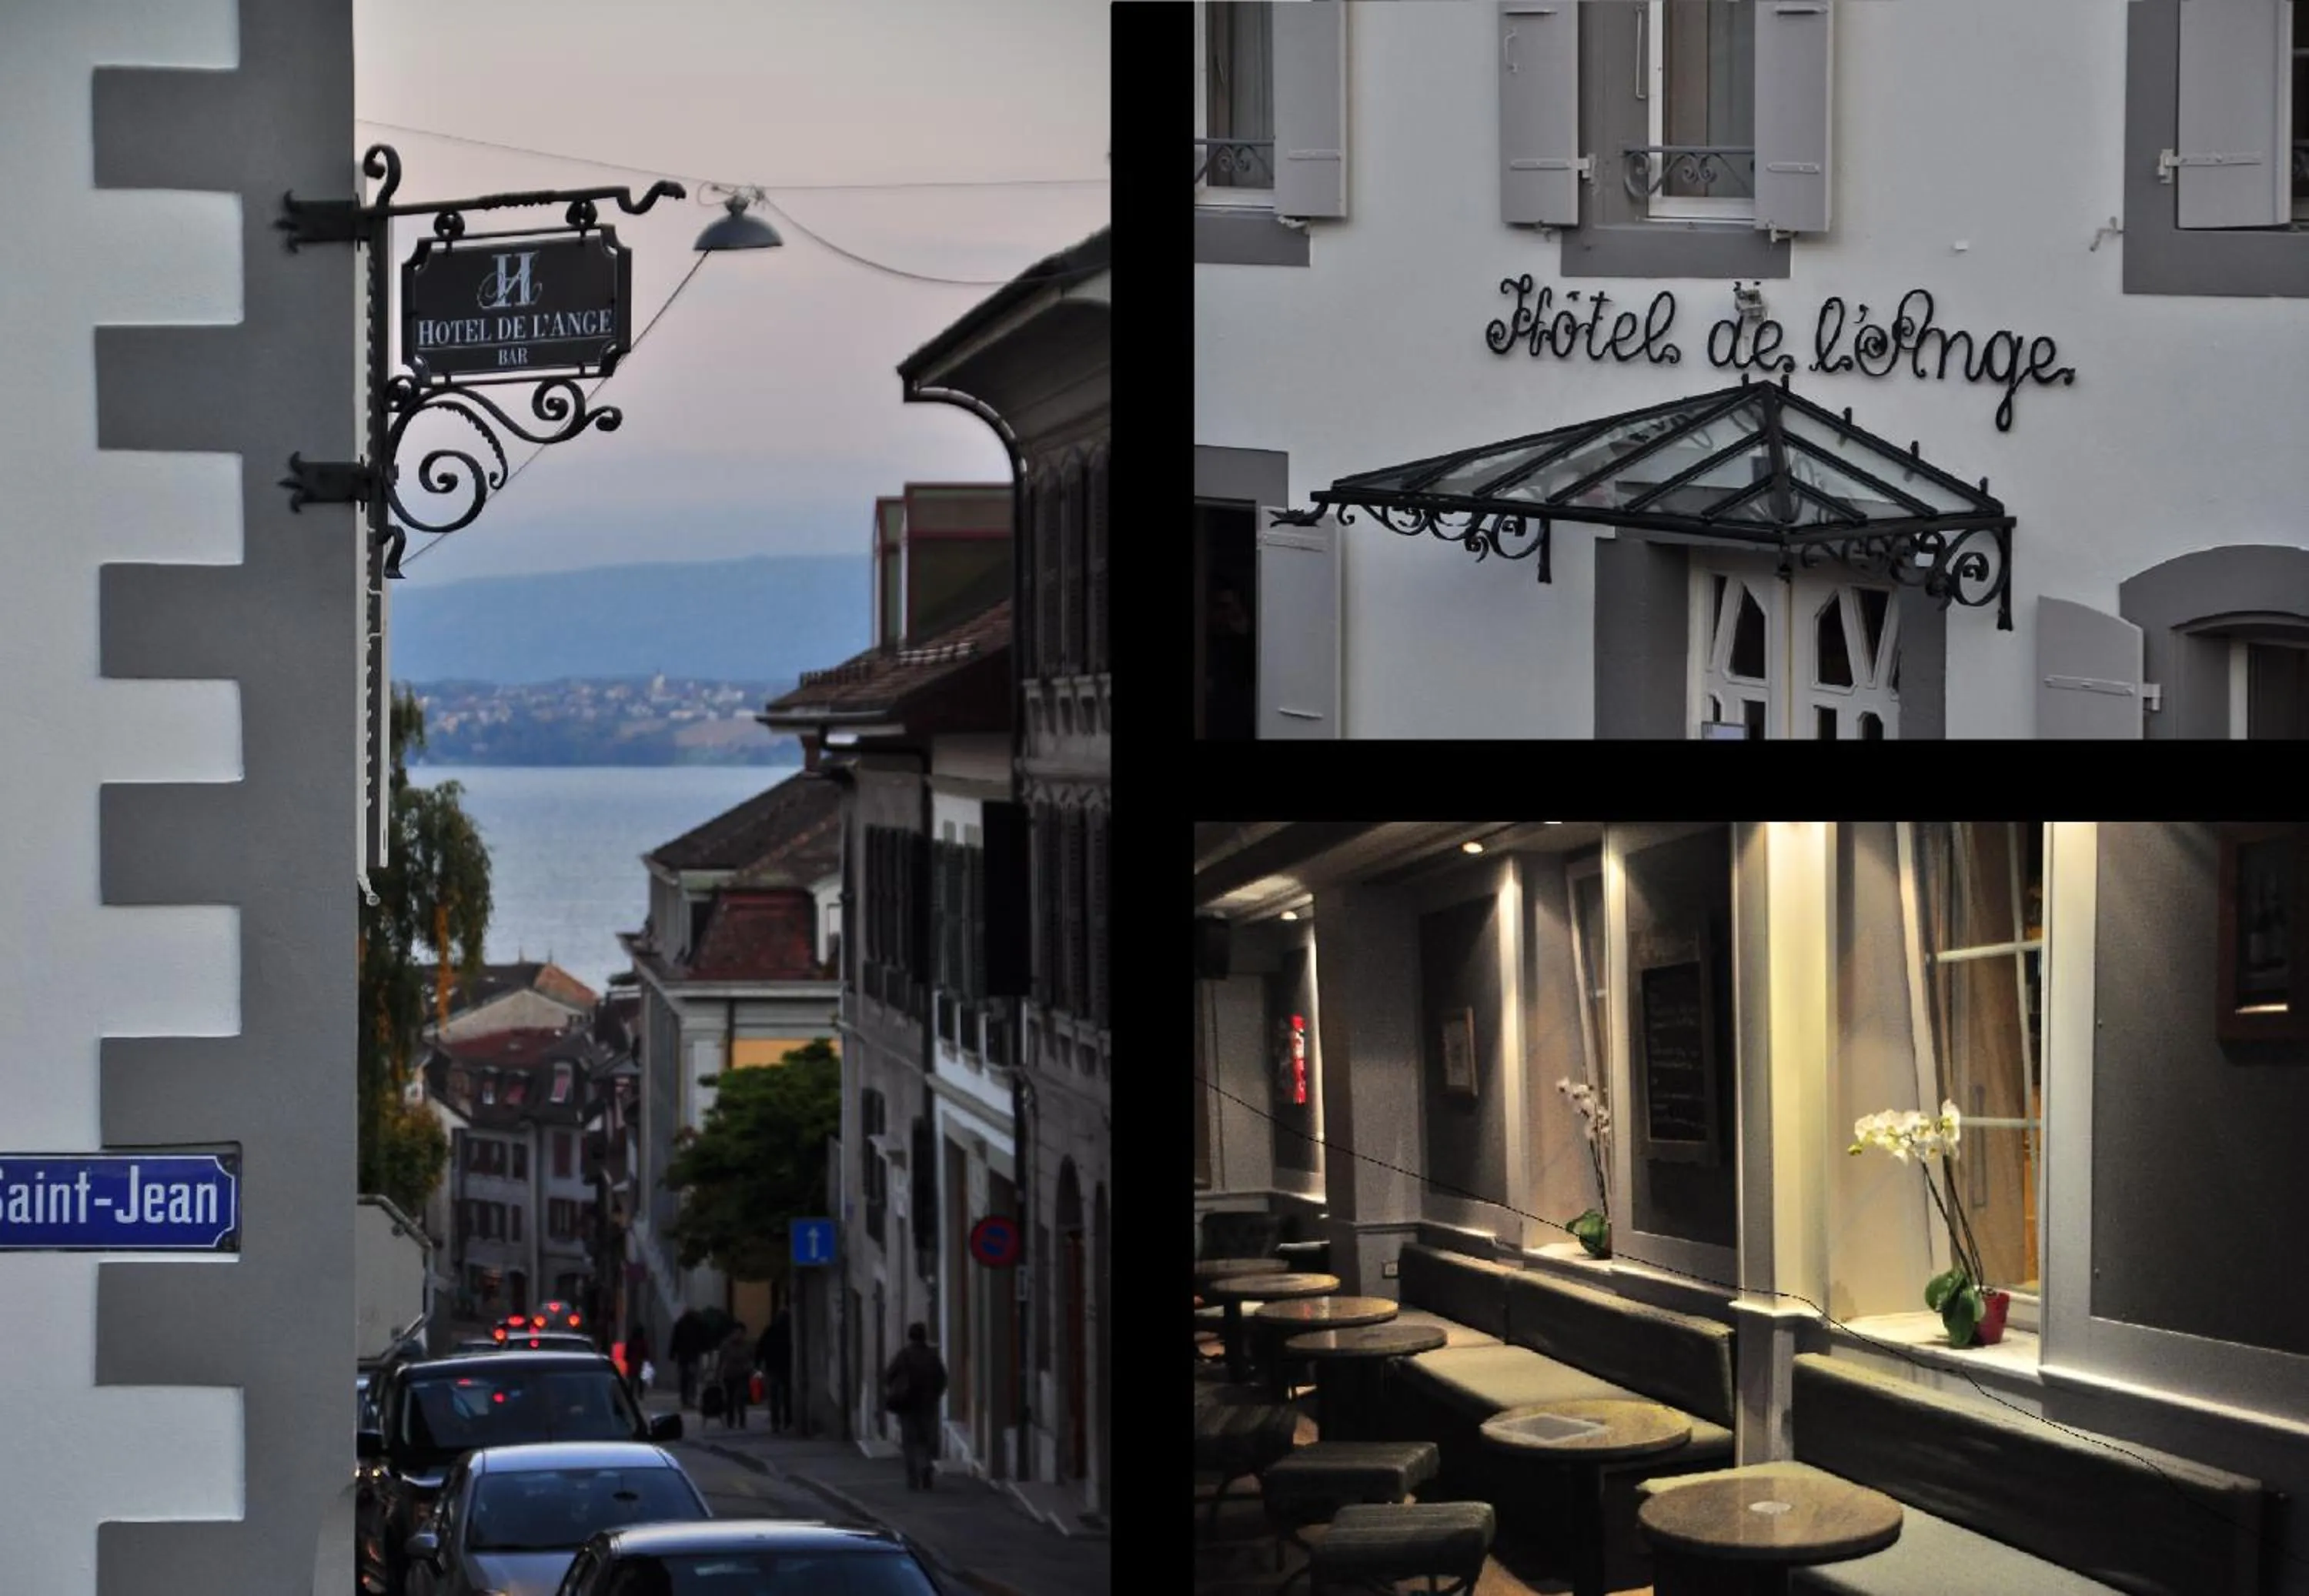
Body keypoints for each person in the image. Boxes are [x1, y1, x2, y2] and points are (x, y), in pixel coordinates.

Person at [883, 1322, 949, 1491]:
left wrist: (895, 1388)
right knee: (925, 1440)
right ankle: (926, 1466)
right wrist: (934, 1396)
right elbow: (942, 1378)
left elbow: (889, 1375)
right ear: (924, 1336)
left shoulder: (904, 1355)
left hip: (908, 1405)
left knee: (910, 1443)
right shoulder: (932, 1356)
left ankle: (913, 1480)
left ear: (910, 1337)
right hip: (927, 1406)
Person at [756, 1306, 794, 1434]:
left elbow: (760, 1348)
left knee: (775, 1397)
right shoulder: (790, 1330)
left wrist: (758, 1363)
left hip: (772, 1366)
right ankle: (787, 1421)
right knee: (787, 1395)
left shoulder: (770, 1330)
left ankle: (775, 1422)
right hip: (786, 1366)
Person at [715, 1321, 754, 1429]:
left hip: (742, 1374)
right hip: (729, 1374)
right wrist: (718, 1374)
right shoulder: (726, 1345)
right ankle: (730, 1421)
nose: (738, 1335)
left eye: (741, 1333)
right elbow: (721, 1360)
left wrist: (750, 1368)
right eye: (736, 1332)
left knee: (741, 1398)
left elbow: (752, 1358)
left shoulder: (747, 1345)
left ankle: (742, 1420)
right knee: (730, 1399)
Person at [670, 1307, 705, 1411]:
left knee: (684, 1379)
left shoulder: (680, 1324)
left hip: (683, 1356)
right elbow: (703, 1339)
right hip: (693, 1356)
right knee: (692, 1379)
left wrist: (672, 1353)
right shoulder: (698, 1325)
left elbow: (674, 1340)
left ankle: (685, 1400)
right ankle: (691, 1399)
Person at [623, 1321, 652, 1407]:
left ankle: (631, 1395)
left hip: (632, 1363)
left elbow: (627, 1353)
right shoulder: (643, 1342)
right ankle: (640, 1394)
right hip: (640, 1362)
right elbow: (645, 1353)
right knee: (640, 1380)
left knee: (632, 1380)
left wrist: (627, 1358)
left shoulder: (631, 1341)